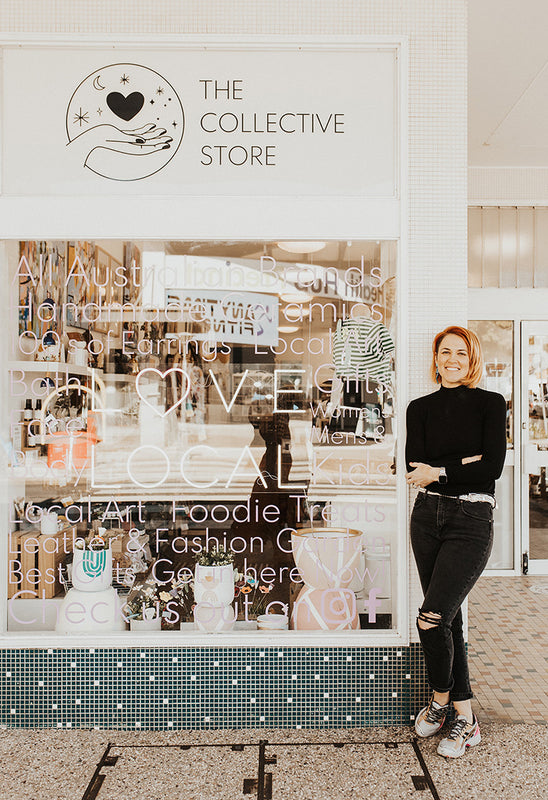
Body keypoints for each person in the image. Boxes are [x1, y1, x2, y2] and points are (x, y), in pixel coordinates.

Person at [405, 326, 506, 758]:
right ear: (436, 357)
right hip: (427, 516)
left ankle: (448, 706)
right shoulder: (419, 407)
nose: (452, 359)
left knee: (430, 617)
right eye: (445, 352)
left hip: (471, 517)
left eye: (460, 353)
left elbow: (494, 466)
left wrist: (442, 471)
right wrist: (464, 463)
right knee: (448, 618)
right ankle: (460, 716)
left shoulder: (490, 403)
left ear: (472, 359)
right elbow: (414, 465)